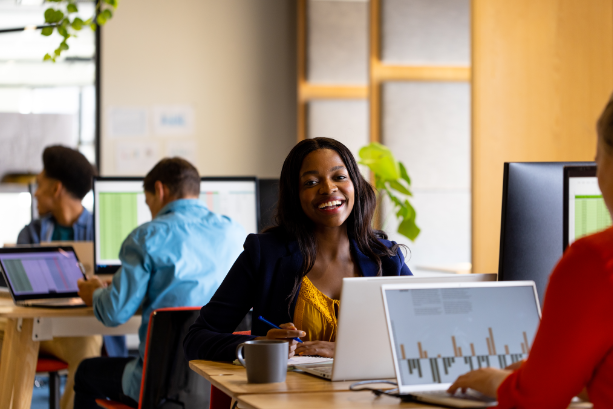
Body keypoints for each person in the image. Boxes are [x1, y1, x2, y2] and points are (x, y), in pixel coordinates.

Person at [184, 137, 412, 362]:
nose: (328, 188)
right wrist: (257, 345)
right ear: (295, 195)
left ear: (356, 185)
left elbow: (423, 337)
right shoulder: (265, 254)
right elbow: (196, 339)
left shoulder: (387, 257)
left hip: (369, 395)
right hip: (284, 396)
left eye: (339, 177)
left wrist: (347, 351)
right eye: (311, 182)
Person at [447, 99, 613, 407]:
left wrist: (496, 380)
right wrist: (563, 376)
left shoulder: (594, 261)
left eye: (597, 159)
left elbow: (534, 403)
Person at [73, 157, 246, 408]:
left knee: (86, 372)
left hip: (159, 386)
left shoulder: (146, 236)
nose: (151, 211)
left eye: (148, 202)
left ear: (160, 190)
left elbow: (113, 313)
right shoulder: (236, 232)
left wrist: (95, 295)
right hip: (222, 385)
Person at [15, 145, 125, 409]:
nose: (36, 193)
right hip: (36, 330)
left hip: (83, 331)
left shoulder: (104, 232)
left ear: (56, 189)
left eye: (39, 185)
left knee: (87, 342)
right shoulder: (30, 233)